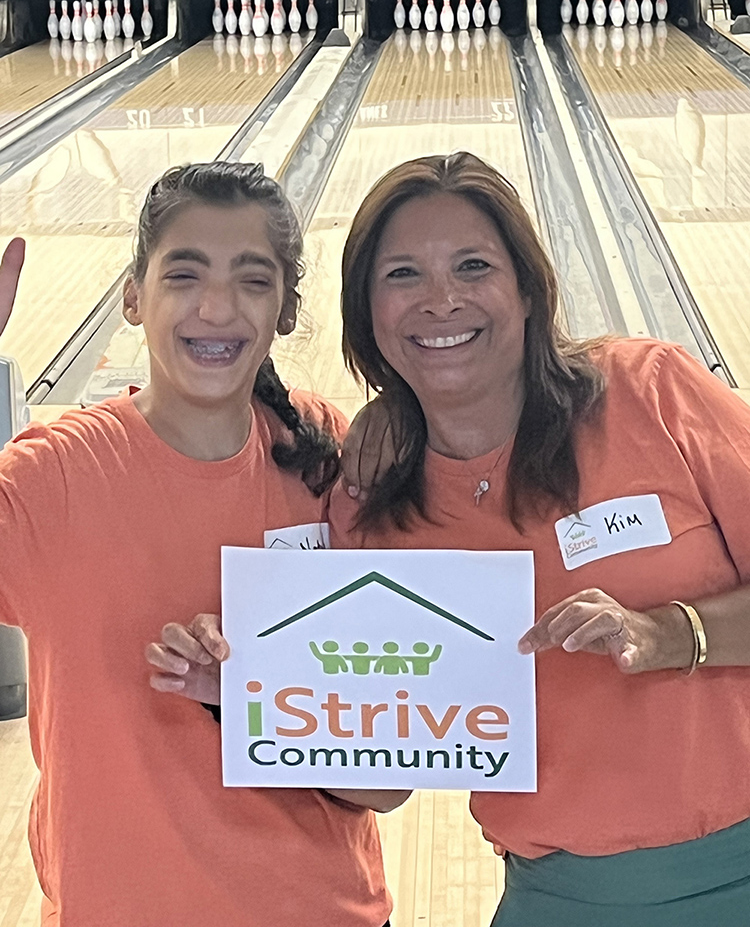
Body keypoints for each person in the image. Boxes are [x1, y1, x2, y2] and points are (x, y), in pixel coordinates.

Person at [158, 152, 750, 924]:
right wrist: (248, 696)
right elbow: (385, 780)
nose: (440, 300)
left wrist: (670, 632)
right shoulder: (370, 508)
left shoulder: (651, 392)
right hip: (559, 898)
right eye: (402, 275)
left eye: (473, 266)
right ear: (367, 312)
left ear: (528, 290)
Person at [0, 162, 399, 927]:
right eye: (184, 274)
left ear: (284, 310)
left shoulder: (331, 461)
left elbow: (383, 781)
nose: (217, 307)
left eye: (253, 280)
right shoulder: (52, 480)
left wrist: (251, 693)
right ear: (131, 296)